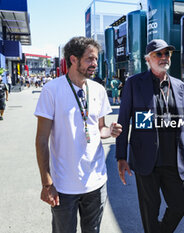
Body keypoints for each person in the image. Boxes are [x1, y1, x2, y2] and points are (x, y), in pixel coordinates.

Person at [116, 39, 184, 233]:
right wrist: (121, 156)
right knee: (150, 211)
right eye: (159, 54)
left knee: (182, 204)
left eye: (167, 54)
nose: (164, 58)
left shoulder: (181, 87)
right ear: (148, 59)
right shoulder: (134, 84)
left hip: (174, 161)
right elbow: (123, 121)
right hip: (146, 160)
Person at [34, 36, 122, 233]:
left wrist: (111, 131)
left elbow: (100, 129)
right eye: (90, 59)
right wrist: (46, 183)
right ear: (73, 60)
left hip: (97, 182)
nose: (95, 64)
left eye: (96, 59)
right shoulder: (52, 90)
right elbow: (41, 139)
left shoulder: (98, 90)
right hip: (64, 185)